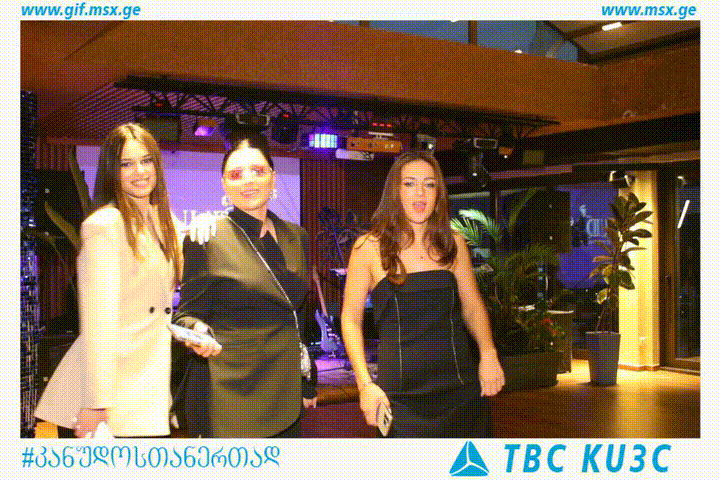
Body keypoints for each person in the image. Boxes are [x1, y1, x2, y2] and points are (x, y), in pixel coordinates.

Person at [341, 150, 505, 437]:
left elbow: (472, 307)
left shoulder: (454, 244)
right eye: (410, 184)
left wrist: (488, 353)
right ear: (395, 191)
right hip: (400, 400)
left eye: (429, 184)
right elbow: (351, 321)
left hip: (461, 393)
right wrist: (364, 384)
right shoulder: (367, 248)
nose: (420, 193)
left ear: (439, 193)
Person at [34, 123, 184, 438]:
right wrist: (96, 403)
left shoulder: (165, 223)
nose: (139, 171)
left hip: (147, 382)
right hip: (109, 392)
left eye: (146, 160)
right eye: (126, 164)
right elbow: (97, 321)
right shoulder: (105, 225)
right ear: (111, 171)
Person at [173, 133, 317, 438]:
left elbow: (298, 313)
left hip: (286, 390)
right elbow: (184, 315)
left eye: (258, 171)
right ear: (224, 185)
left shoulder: (297, 236)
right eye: (236, 175)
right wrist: (197, 330)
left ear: (273, 178)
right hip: (233, 391)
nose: (248, 181)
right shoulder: (208, 237)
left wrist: (307, 380)